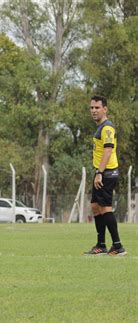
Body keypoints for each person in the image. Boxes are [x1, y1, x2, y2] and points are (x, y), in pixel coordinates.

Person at [83, 95, 126, 256]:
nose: (94, 110)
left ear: (105, 109)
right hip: (101, 172)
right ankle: (101, 245)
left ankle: (118, 245)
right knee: (95, 206)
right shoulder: (100, 127)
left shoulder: (107, 128)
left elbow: (108, 151)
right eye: (92, 108)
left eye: (97, 108)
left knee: (105, 207)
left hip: (106, 173)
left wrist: (100, 173)